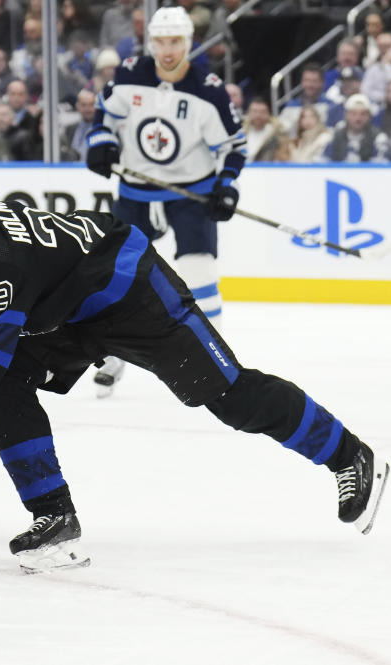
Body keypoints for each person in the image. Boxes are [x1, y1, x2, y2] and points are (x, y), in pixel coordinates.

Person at [0, 182, 390, 573]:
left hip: (129, 289)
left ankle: (349, 454)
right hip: (62, 310)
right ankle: (54, 515)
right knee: (2, 381)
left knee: (229, 396)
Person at [85, 6, 246, 396]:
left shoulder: (208, 89)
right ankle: (112, 356)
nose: (168, 49)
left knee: (199, 272)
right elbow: (103, 117)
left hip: (190, 193)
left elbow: (234, 146)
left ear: (188, 43)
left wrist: (226, 185)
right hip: (137, 192)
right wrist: (101, 145)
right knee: (117, 274)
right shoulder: (129, 75)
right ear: (151, 42)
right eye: (160, 41)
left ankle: (214, 361)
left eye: (175, 41)